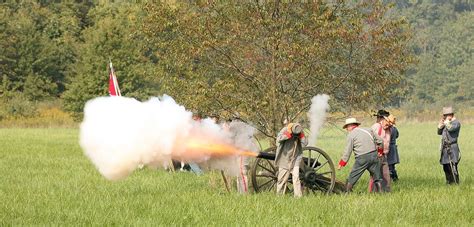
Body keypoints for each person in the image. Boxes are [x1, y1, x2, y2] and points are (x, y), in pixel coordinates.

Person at [337, 117, 384, 192]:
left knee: (353, 176)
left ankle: (346, 194)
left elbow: (347, 151)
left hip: (362, 158)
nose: (346, 129)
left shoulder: (351, 135)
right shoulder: (369, 130)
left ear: (351, 126)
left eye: (347, 127)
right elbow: (380, 141)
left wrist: (341, 163)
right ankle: (381, 194)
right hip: (374, 155)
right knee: (377, 177)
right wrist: (380, 152)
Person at [275, 122, 308, 197]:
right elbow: (278, 139)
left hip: (296, 158)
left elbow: (305, 143)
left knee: (296, 178)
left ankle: (298, 196)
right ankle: (279, 196)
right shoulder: (285, 130)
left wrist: (301, 136)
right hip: (284, 158)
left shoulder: (299, 131)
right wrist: (288, 135)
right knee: (282, 179)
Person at [368, 109, 392, 192]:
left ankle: (387, 191)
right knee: (375, 175)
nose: (389, 124)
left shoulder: (389, 128)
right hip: (376, 154)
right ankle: (374, 192)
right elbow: (371, 140)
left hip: (384, 154)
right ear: (383, 119)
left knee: (386, 174)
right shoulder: (376, 127)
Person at [437, 107, 461, 184]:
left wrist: (447, 122)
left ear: (451, 115)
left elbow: (450, 129)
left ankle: (455, 183)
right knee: (446, 167)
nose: (445, 117)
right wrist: (440, 125)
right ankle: (449, 182)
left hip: (452, 147)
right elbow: (439, 132)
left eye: (446, 115)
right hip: (445, 148)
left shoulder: (456, 123)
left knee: (453, 167)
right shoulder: (446, 123)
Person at [387, 115, 400, 181]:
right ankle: (395, 179)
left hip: (389, 148)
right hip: (394, 147)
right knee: (392, 166)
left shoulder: (388, 129)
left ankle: (392, 179)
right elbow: (397, 135)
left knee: (389, 165)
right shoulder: (394, 129)